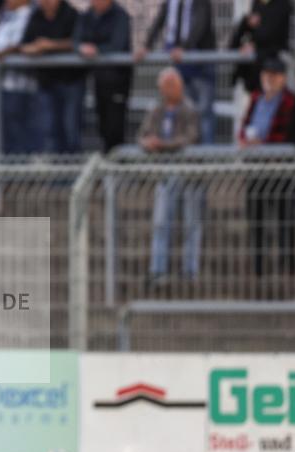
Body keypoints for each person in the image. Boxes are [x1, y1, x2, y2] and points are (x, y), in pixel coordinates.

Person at [139, 68, 202, 284]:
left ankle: (190, 271)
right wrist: (147, 143)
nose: (167, 90)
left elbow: (190, 138)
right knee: (160, 222)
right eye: (164, 86)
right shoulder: (156, 109)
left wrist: (163, 145)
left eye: (171, 85)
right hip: (164, 173)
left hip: (189, 174)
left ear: (180, 86)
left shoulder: (190, 109)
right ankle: (158, 270)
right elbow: (143, 135)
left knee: (191, 223)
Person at [240, 58, 295, 279]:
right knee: (257, 220)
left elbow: (288, 132)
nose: (269, 79)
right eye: (266, 75)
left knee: (285, 220)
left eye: (274, 75)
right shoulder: (256, 98)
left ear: (283, 77)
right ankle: (259, 268)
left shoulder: (290, 101)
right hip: (257, 168)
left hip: (281, 168)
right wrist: (246, 141)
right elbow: (245, 126)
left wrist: (263, 145)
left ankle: (287, 268)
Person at [137, 0, 217, 144]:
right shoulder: (171, 3)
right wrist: (146, 46)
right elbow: (159, 21)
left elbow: (200, 24)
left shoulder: (201, 3)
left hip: (201, 64)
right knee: (183, 114)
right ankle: (185, 153)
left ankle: (207, 153)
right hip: (180, 65)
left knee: (204, 112)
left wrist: (184, 48)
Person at [19, 0, 83, 153]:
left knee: (71, 128)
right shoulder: (36, 16)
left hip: (70, 81)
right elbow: (24, 44)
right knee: (50, 129)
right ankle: (56, 166)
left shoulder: (71, 14)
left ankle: (74, 164)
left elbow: (79, 42)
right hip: (46, 82)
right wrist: (33, 49)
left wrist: (50, 45)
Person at [0, 0, 38, 155]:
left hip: (19, 85)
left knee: (18, 136)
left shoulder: (29, 16)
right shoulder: (8, 16)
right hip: (2, 84)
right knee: (5, 135)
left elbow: (18, 45)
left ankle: (20, 168)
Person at [74, 0, 132, 153]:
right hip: (99, 80)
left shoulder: (120, 16)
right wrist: (81, 48)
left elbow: (117, 45)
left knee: (115, 127)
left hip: (118, 80)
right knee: (103, 124)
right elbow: (77, 40)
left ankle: (117, 162)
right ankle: (107, 160)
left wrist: (97, 50)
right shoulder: (87, 15)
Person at [229, 0, 293, 94]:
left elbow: (272, 34)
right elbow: (237, 41)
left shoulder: (282, 4)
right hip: (256, 70)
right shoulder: (258, 3)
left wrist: (254, 46)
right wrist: (246, 23)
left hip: (273, 61)